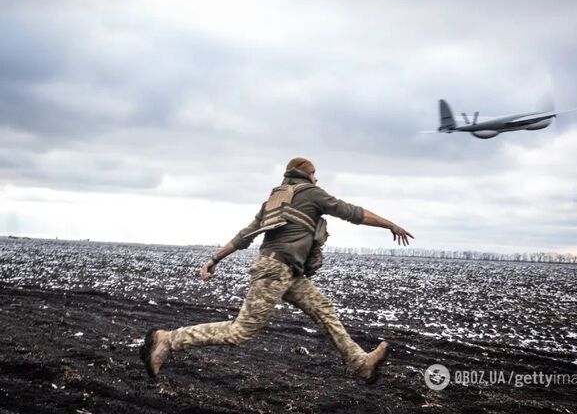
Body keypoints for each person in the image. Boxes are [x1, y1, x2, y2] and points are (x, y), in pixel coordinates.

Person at [140, 157, 413, 383]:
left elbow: (245, 235)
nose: (318, 180)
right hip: (275, 269)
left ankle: (359, 362)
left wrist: (215, 258)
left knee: (323, 309)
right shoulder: (311, 193)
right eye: (315, 175)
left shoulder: (275, 199)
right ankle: (167, 339)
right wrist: (390, 224)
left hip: (288, 272)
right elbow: (353, 212)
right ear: (307, 175)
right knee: (240, 332)